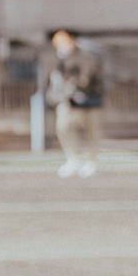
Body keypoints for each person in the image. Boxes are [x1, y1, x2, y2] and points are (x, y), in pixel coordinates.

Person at [44, 26, 99, 176]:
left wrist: (73, 86)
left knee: (89, 131)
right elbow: (52, 78)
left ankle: (91, 161)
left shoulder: (85, 56)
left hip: (85, 100)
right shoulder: (57, 58)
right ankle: (73, 159)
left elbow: (87, 76)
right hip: (65, 102)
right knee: (63, 128)